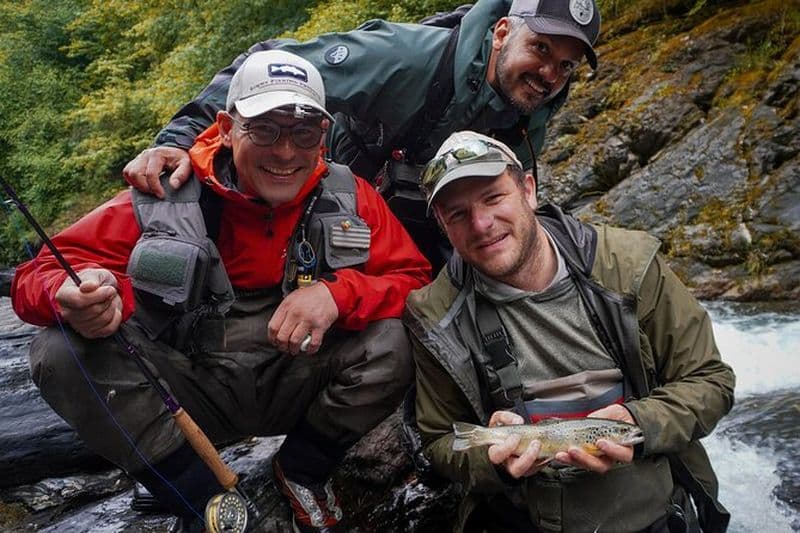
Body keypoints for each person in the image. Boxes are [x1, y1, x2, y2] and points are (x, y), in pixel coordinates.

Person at [11, 50, 430, 533]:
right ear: (228, 127)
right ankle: (201, 498)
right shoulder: (161, 193)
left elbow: (415, 283)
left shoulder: (351, 195)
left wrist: (339, 294)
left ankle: (302, 470)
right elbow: (33, 276)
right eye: (265, 129)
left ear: (325, 133)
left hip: (295, 383)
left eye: (304, 132)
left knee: (396, 340)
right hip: (187, 396)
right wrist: (76, 294)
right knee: (58, 350)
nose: (286, 152)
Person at [404, 130, 735, 532]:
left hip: (654, 510)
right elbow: (441, 440)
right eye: (457, 214)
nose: (482, 224)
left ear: (528, 189)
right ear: (442, 224)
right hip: (521, 518)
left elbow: (711, 381)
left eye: (493, 198)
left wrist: (639, 423)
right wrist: (493, 462)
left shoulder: (629, 267)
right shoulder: (435, 315)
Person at [122, 0, 601, 271]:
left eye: (565, 65)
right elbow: (268, 66)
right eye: (539, 48)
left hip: (427, 209)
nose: (549, 73)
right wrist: (180, 135)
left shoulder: (533, 98)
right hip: (334, 194)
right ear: (500, 33)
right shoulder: (406, 57)